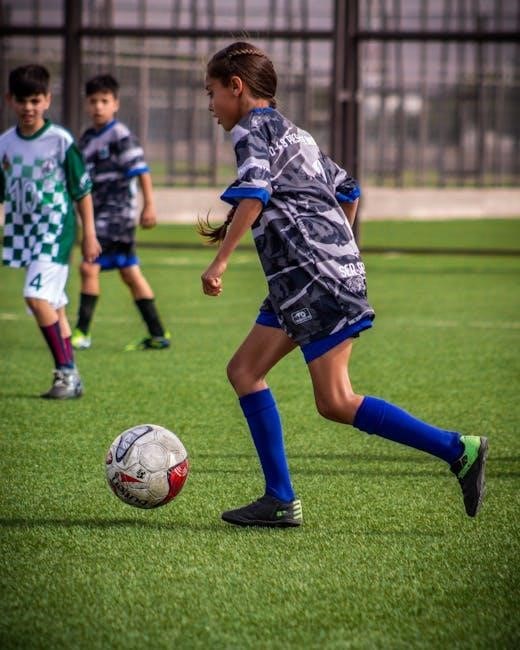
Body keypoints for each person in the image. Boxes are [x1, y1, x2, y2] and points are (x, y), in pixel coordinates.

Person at [199, 41, 488, 527]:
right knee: (244, 371)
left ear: (237, 86)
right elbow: (349, 189)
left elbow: (254, 192)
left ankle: (458, 449)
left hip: (313, 280)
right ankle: (279, 498)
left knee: (335, 400)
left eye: (211, 92)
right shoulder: (298, 135)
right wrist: (339, 249)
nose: (210, 105)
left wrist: (220, 263)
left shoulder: (251, 130)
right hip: (303, 279)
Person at [1, 64, 101, 399]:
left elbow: (81, 191)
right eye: (22, 100)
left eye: (35, 100)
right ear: (10, 100)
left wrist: (89, 234)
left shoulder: (60, 140)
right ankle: (71, 378)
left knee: (36, 297)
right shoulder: (5, 145)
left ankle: (67, 373)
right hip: (23, 233)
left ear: (47, 100)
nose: (28, 107)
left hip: (56, 228)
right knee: (53, 305)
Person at [71, 73, 170, 351]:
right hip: (98, 214)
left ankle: (81, 332)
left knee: (88, 265)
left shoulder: (120, 135)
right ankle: (158, 333)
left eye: (104, 101)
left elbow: (141, 171)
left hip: (117, 215)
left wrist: (149, 205)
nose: (98, 107)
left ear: (115, 104)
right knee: (129, 271)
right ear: (86, 104)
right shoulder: (86, 138)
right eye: (93, 101)